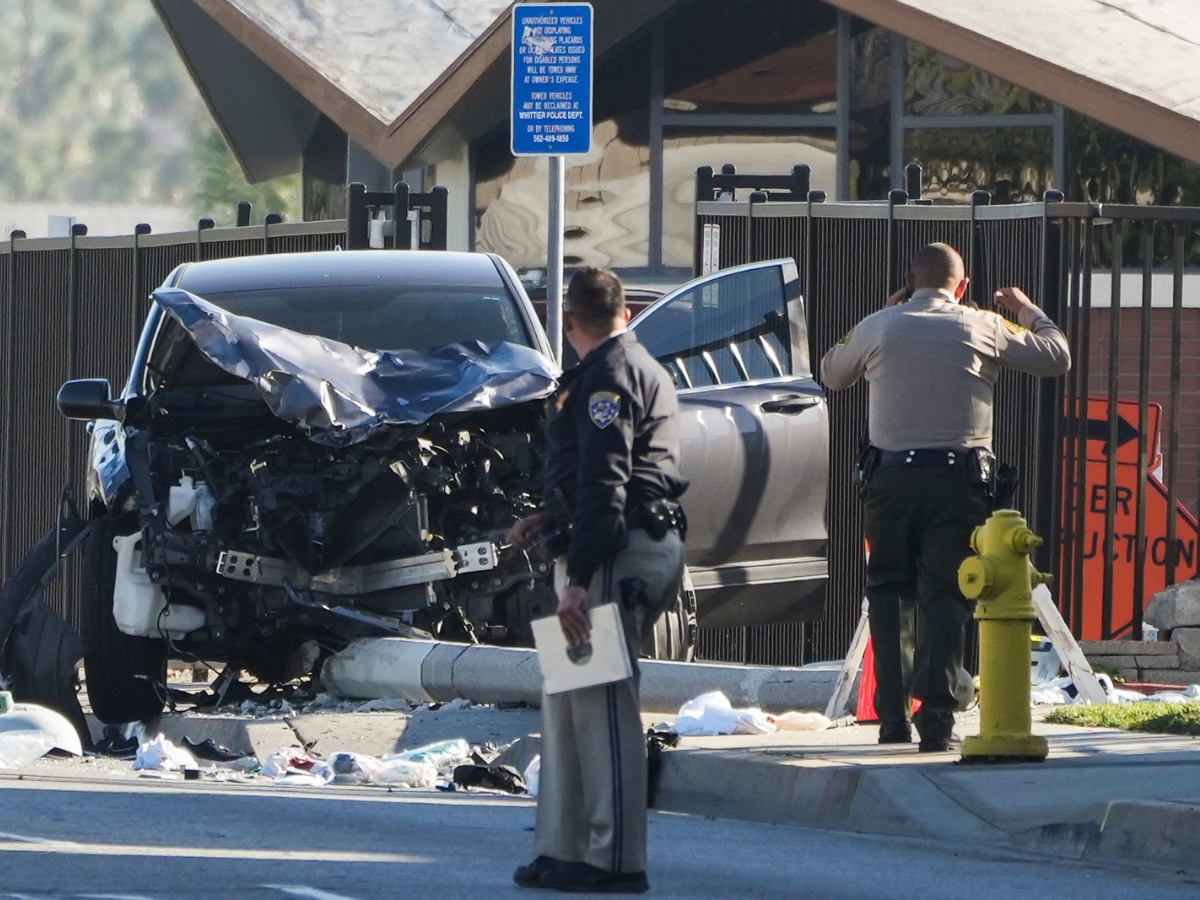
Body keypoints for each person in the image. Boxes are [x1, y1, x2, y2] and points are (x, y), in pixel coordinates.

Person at [820, 243, 1070, 752]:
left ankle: (890, 716)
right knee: (946, 593)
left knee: (888, 591)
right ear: (963, 285)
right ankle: (935, 716)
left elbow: (831, 372)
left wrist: (889, 313)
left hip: (889, 482)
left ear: (909, 282)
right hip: (957, 483)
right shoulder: (981, 325)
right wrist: (1024, 309)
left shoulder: (878, 325)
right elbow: (1056, 356)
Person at [506, 267, 687, 893]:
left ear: (569, 320)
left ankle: (614, 861)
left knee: (605, 707)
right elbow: (595, 476)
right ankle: (565, 848)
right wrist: (549, 516)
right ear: (626, 311)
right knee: (569, 705)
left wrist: (578, 581)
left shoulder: (609, 378)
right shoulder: (636, 366)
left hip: (614, 552)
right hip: (607, 543)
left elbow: (608, 486)